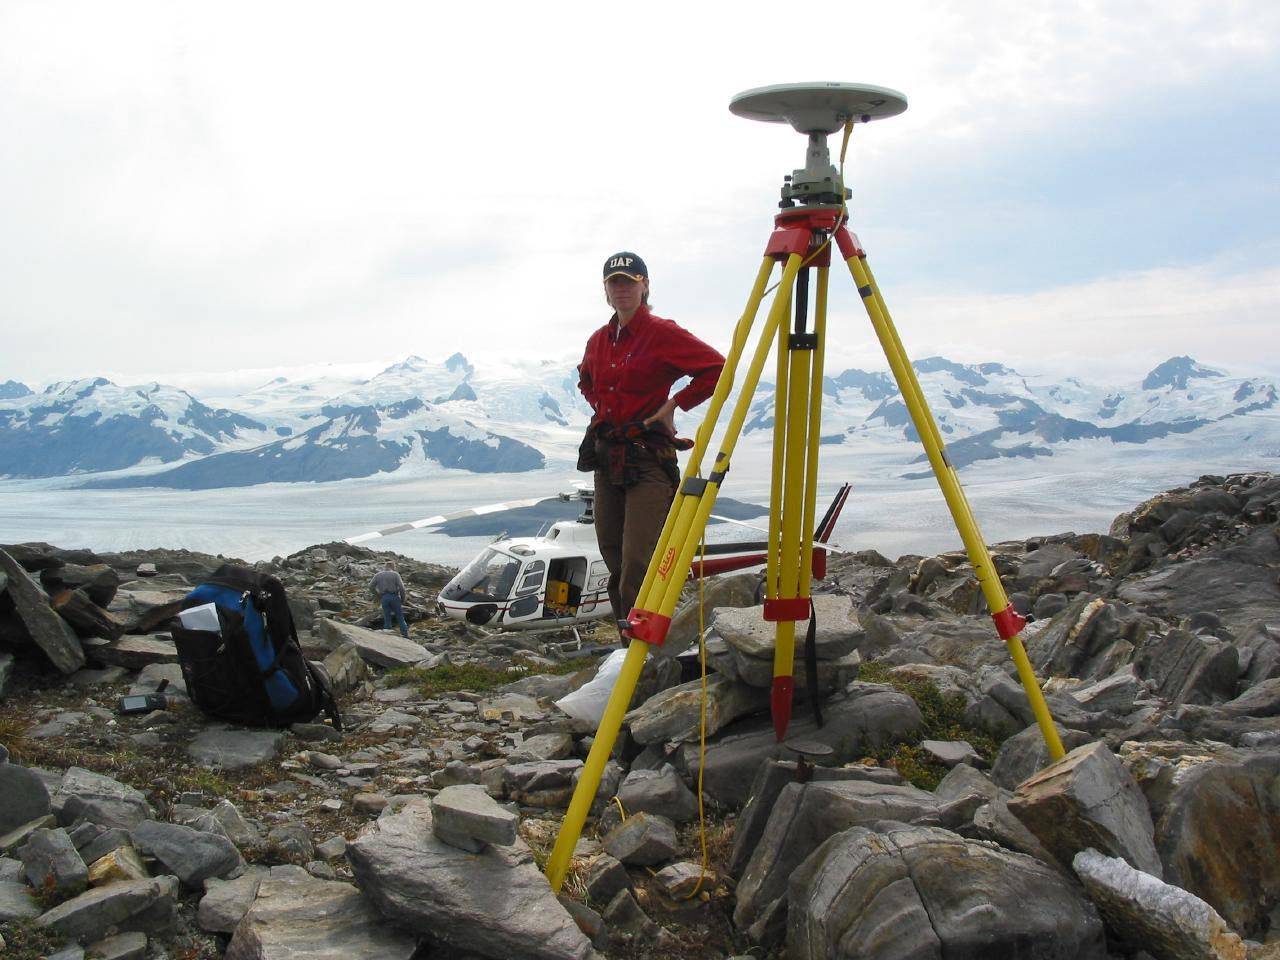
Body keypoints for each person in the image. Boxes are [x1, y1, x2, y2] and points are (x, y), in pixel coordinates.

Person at [577, 251, 725, 630]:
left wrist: (674, 403)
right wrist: (602, 410)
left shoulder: (662, 332)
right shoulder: (598, 340)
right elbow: (585, 379)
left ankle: (645, 649)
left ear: (645, 286)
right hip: (608, 456)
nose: (622, 289)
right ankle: (629, 645)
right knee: (612, 553)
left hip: (646, 459)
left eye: (630, 281)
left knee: (639, 562)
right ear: (606, 291)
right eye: (615, 283)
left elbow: (716, 368)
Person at [369, 560, 409, 638]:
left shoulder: (378, 575)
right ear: (393, 567)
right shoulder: (395, 575)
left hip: (384, 597)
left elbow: (370, 586)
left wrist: (377, 594)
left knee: (387, 617)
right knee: (400, 617)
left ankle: (388, 635)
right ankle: (405, 635)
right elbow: (402, 588)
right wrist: (403, 598)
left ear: (385, 566)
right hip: (394, 597)